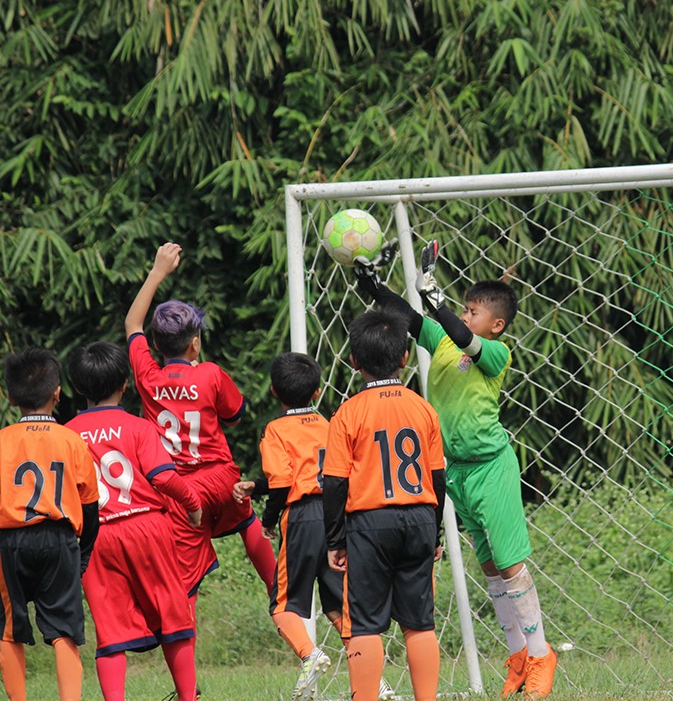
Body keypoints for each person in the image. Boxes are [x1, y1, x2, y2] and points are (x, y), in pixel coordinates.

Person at [354, 241, 557, 698]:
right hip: (457, 471)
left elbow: (464, 338)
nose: (465, 318)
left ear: (496, 324)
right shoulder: (442, 339)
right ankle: (518, 656)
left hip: (491, 467)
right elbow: (406, 317)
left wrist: (439, 301)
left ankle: (542, 653)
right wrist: (371, 283)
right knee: (489, 565)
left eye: (473, 311)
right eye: (463, 309)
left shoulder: (495, 353)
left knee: (510, 564)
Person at [125, 242, 277, 614]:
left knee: (186, 580)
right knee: (247, 520)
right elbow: (235, 414)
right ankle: (280, 592)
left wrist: (157, 272)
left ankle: (183, 639)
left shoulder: (147, 376)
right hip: (219, 476)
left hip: (177, 491)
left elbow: (132, 323)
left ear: (156, 344)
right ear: (195, 344)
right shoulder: (210, 374)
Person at [66, 341, 202, 701]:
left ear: (78, 388)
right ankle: (189, 696)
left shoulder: (68, 435)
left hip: (97, 537)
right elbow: (163, 478)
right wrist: (192, 503)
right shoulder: (138, 427)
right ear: (125, 385)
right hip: (146, 528)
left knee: (109, 630)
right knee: (175, 617)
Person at [322, 311, 445, 701]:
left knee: (363, 625)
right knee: (420, 622)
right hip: (420, 517)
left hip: (370, 523)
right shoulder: (423, 408)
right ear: (405, 357)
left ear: (354, 361)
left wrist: (335, 540)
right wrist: (436, 530)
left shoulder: (348, 413)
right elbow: (438, 477)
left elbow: (335, 483)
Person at [232, 352, 344, 701]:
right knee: (339, 606)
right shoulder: (328, 424)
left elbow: (283, 482)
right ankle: (375, 682)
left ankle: (310, 656)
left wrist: (266, 520)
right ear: (317, 391)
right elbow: (318, 474)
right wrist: (257, 484)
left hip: (301, 519)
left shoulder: (276, 429)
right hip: (336, 518)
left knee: (282, 605)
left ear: (274, 392)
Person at [0, 348, 99, 701]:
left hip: (9, 540)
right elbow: (90, 507)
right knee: (65, 631)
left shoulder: (2, 440)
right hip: (59, 539)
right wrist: (81, 554)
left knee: (9, 629)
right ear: (58, 393)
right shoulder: (72, 439)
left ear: (10, 397)